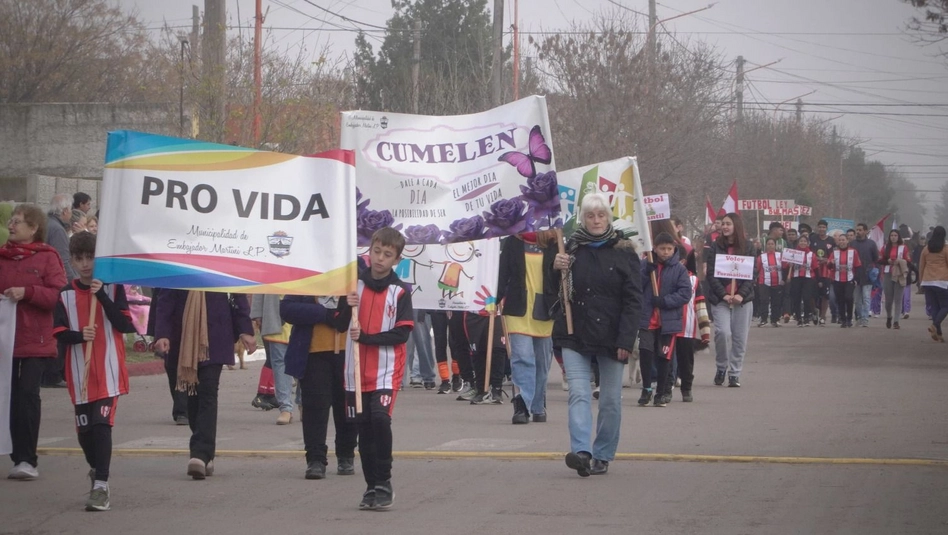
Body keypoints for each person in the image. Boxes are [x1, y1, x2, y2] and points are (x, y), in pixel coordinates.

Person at [551, 193, 641, 477]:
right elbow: (555, 292)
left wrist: (626, 339)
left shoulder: (624, 251)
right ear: (583, 219)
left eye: (601, 215)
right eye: (590, 216)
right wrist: (555, 269)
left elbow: (634, 300)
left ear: (609, 217)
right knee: (578, 393)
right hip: (575, 332)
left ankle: (602, 453)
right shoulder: (571, 248)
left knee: (611, 399)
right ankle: (582, 452)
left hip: (612, 336)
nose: (596, 220)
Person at [52, 232, 136, 511]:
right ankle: (96, 467)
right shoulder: (65, 294)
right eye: (79, 259)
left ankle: (101, 484)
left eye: (90, 258)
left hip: (109, 371)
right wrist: (79, 335)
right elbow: (59, 332)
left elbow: (125, 325)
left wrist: (101, 295)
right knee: (85, 432)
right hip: (80, 374)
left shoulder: (112, 288)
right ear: (72, 261)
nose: (86, 264)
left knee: (101, 427)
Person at [345, 227, 414, 510]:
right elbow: (339, 323)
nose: (380, 259)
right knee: (363, 430)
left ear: (396, 259)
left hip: (387, 369)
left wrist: (368, 339)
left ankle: (384, 480)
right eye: (377, 252)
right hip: (355, 369)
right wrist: (342, 306)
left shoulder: (400, 292)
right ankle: (370, 486)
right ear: (369, 251)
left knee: (380, 420)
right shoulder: (354, 287)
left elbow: (402, 333)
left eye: (388, 255)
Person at [153, 290, 255, 479]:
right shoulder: (180, 263)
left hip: (215, 333)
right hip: (182, 334)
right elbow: (166, 295)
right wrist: (162, 333)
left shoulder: (221, 261)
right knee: (192, 394)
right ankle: (205, 452)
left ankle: (200, 453)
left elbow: (237, 292)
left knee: (208, 390)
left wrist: (245, 330)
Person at [1, 204, 68, 480]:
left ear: (33, 229)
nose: (12, 225)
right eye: (11, 221)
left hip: (35, 340)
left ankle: (27, 458)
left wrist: (27, 292)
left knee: (28, 395)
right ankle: (13, 452)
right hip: (6, 340)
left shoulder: (47, 257)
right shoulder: (2, 257)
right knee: (9, 397)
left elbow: (56, 295)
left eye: (18, 222)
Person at [281, 294, 358, 480]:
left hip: (348, 353)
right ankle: (315, 459)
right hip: (313, 352)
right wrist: (323, 314)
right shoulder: (307, 278)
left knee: (347, 407)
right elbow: (287, 309)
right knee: (315, 408)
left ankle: (346, 454)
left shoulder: (354, 274)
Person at [497, 231, 557, 424]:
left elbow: (561, 278)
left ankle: (538, 404)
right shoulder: (513, 241)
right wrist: (493, 299)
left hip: (545, 308)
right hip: (518, 307)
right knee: (522, 357)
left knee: (542, 361)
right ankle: (521, 404)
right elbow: (502, 273)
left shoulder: (553, 242)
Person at [636, 232, 692, 407]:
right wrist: (647, 272)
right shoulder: (645, 265)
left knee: (664, 357)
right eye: (662, 249)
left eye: (669, 249)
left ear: (674, 249)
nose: (665, 252)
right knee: (645, 353)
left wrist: (665, 301)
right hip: (647, 320)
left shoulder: (679, 269)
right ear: (655, 248)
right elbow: (635, 285)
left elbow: (685, 293)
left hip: (668, 322)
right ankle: (646, 388)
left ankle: (662, 391)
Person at [705, 213, 757, 387]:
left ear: (736, 226)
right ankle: (721, 367)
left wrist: (741, 294)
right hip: (721, 299)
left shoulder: (749, 247)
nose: (725, 227)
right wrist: (724, 295)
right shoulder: (715, 247)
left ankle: (734, 373)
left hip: (743, 300)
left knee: (739, 338)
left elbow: (752, 275)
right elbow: (711, 275)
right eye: (723, 224)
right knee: (722, 333)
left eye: (728, 224)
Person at [250, 295, 295, 424]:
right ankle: (285, 408)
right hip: (275, 313)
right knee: (279, 362)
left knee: (305, 361)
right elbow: (262, 280)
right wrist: (257, 313)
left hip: (303, 308)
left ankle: (303, 403)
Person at [674, 250, 710, 402]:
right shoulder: (661, 277)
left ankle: (686, 387)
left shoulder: (694, 281)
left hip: (687, 329)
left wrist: (705, 332)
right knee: (665, 360)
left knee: (686, 361)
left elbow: (700, 306)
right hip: (667, 328)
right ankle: (665, 389)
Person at [919, 226, 948, 342]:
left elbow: (921, 266)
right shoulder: (945, 249)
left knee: (935, 307)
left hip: (927, 281)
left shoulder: (926, 249)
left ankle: (939, 334)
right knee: (945, 306)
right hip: (942, 281)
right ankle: (935, 325)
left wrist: (921, 282)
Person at [827, 233, 862, 328]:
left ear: (847, 241)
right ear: (838, 242)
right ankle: (843, 319)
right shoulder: (834, 253)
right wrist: (831, 263)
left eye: (843, 240)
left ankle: (849, 318)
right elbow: (828, 266)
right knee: (840, 300)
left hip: (849, 279)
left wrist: (856, 278)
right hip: (837, 279)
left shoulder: (853, 252)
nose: (842, 242)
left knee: (849, 298)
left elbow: (858, 266)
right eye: (840, 240)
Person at [879, 229, 911, 329]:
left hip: (899, 275)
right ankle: (889, 316)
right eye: (891, 235)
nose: (893, 237)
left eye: (895, 235)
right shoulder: (885, 247)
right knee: (888, 300)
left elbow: (908, 261)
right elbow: (879, 260)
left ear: (899, 237)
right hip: (888, 274)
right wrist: (887, 261)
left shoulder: (904, 247)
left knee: (898, 299)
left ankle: (896, 321)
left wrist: (900, 261)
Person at [851, 223, 879, 327]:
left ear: (866, 231)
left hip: (868, 275)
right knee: (857, 300)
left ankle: (865, 319)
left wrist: (876, 273)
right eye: (857, 229)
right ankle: (860, 317)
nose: (858, 232)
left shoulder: (871, 244)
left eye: (860, 230)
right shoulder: (852, 244)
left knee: (866, 298)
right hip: (855, 276)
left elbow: (876, 260)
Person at [787, 235, 818, 326]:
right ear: (798, 243)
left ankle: (807, 318)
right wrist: (789, 264)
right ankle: (799, 318)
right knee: (796, 298)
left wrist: (817, 280)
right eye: (801, 241)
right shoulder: (793, 253)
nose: (803, 243)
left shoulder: (811, 254)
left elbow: (815, 268)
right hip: (796, 277)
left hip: (808, 278)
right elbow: (787, 266)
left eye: (805, 241)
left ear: (808, 243)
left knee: (807, 298)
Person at [808, 220, 835, 325]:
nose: (821, 229)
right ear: (817, 228)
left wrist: (826, 260)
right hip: (813, 271)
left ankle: (823, 316)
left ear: (826, 228)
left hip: (826, 272)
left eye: (823, 227)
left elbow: (834, 256)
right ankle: (814, 311)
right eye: (820, 227)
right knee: (811, 294)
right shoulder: (813, 238)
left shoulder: (831, 241)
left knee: (825, 295)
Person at [757, 237, 785, 327]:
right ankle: (763, 320)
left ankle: (775, 320)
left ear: (775, 245)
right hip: (764, 282)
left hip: (777, 282)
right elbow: (757, 269)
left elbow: (785, 267)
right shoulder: (761, 257)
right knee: (764, 301)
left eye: (772, 244)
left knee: (776, 302)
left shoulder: (780, 256)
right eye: (768, 244)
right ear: (766, 245)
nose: (770, 246)